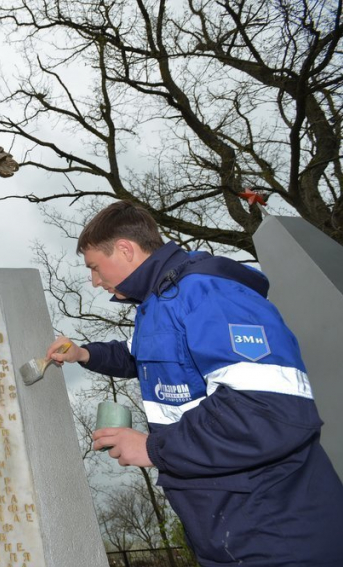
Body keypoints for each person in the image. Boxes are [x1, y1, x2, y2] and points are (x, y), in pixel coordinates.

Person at [47, 201, 343, 566]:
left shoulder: (208, 292)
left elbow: (267, 411)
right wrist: (83, 354)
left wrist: (155, 449)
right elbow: (138, 354)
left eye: (94, 266)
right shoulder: (160, 302)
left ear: (125, 249)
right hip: (224, 530)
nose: (94, 280)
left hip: (276, 531)